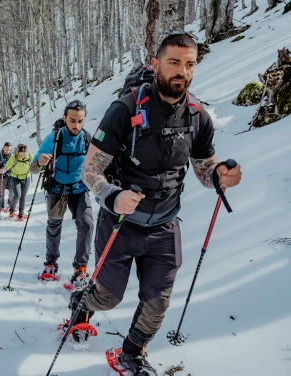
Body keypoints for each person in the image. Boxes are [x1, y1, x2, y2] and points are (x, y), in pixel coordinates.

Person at [71, 32, 242, 375]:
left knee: (158, 302)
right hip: (120, 222)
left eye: (189, 64)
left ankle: (132, 352)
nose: (182, 71)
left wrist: (219, 176)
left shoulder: (197, 116)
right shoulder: (125, 109)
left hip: (165, 225)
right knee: (109, 296)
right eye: (174, 62)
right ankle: (81, 303)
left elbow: (204, 167)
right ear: (156, 64)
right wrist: (113, 195)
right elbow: (89, 170)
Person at [30, 100, 93, 289]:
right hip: (57, 189)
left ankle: (80, 268)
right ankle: (51, 263)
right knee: (54, 224)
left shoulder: (88, 139)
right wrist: (40, 162)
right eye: (72, 120)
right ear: (65, 118)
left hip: (79, 189)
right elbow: (33, 168)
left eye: (80, 121)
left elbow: (98, 163)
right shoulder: (54, 138)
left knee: (87, 224)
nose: (76, 125)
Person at [1, 143, 33, 221]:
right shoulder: (14, 157)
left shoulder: (30, 157)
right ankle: (12, 211)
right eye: (21, 153)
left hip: (26, 178)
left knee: (23, 197)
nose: (23, 154)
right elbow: (8, 165)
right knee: (17, 195)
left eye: (24, 152)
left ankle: (21, 214)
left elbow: (36, 164)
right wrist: (4, 170)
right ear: (18, 152)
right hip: (15, 178)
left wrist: (41, 170)